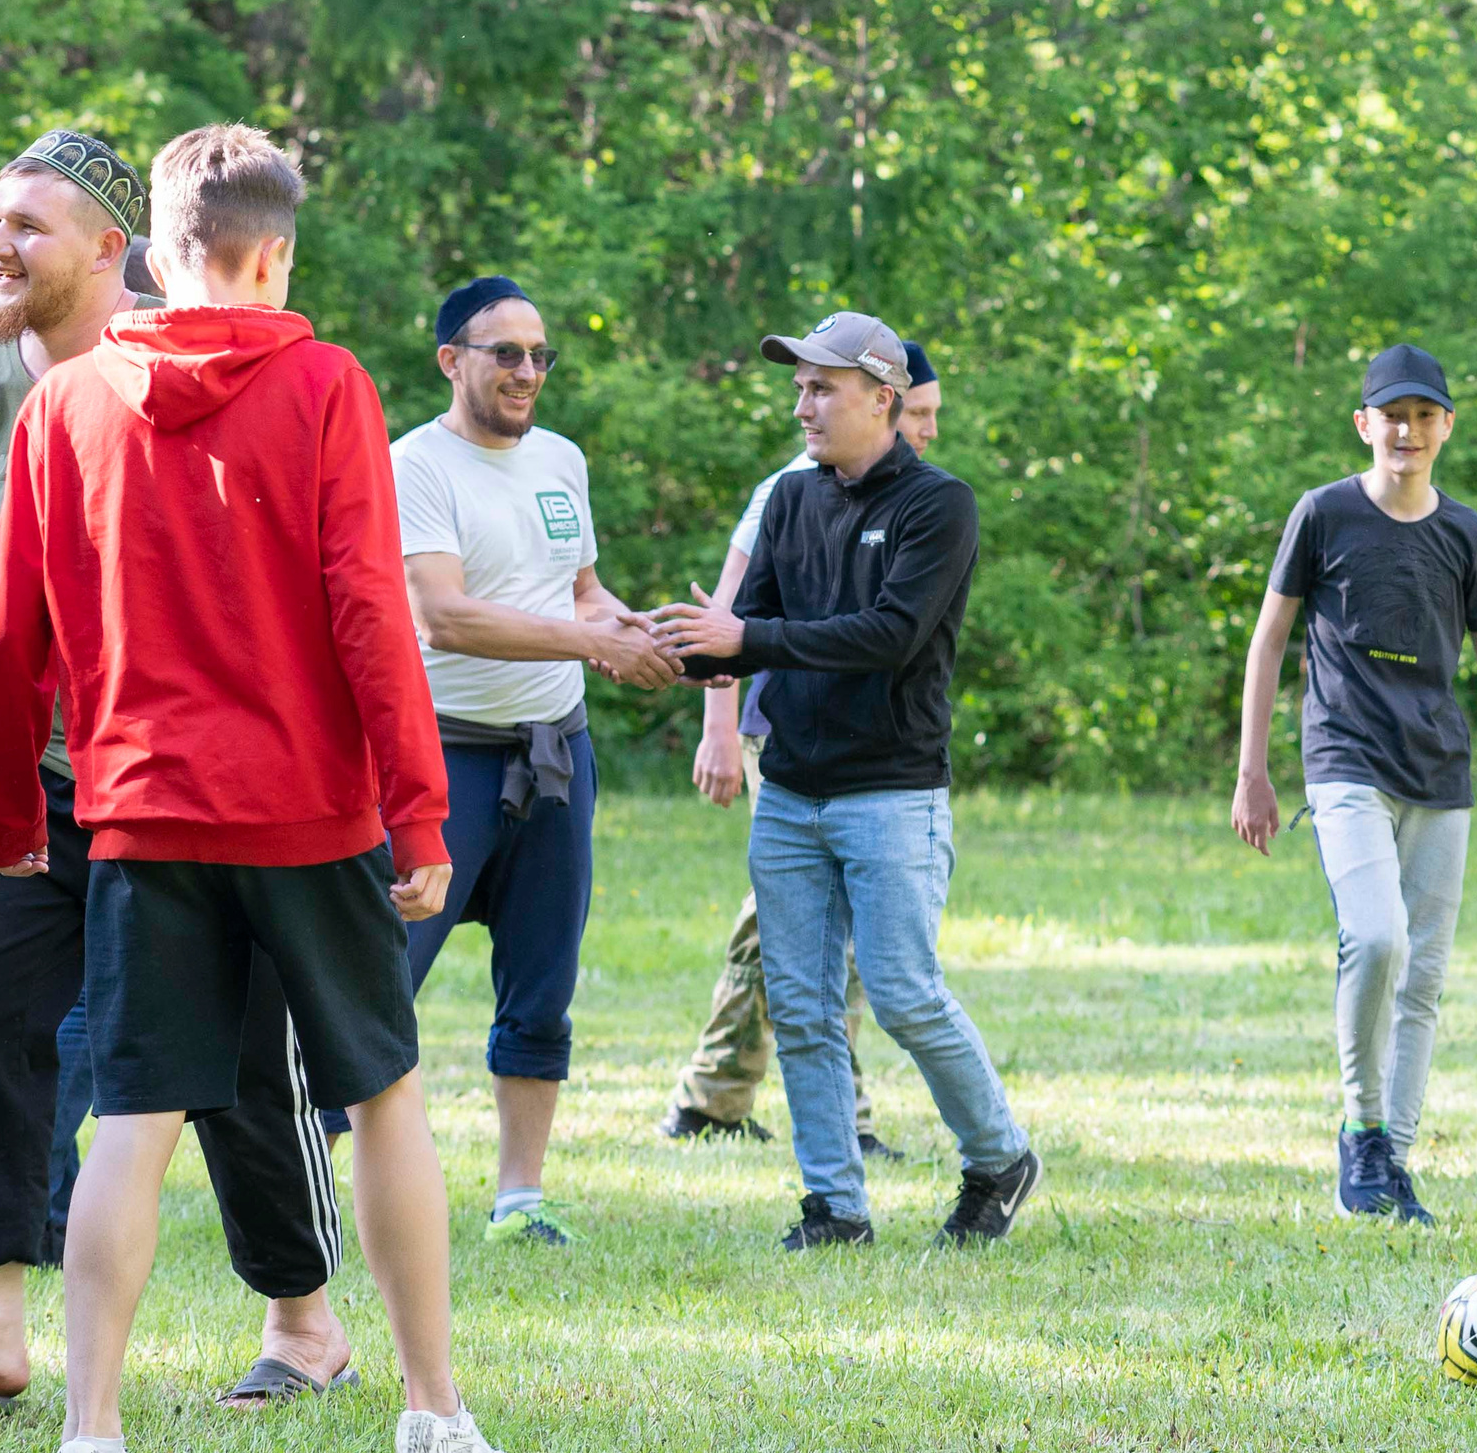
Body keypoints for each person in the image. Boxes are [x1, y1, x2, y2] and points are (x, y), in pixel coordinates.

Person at [0, 123, 518, 1453]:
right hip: (310, 817)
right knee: (384, 1093)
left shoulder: (66, 403)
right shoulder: (325, 382)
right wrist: (424, 811)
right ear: (275, 254)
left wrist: (1, 808)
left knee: (135, 1117)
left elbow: (1, 633)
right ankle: (435, 1425)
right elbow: (366, 613)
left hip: (140, 815)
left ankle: (90, 1441)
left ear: (149, 251)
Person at [0, 130, 355, 1420]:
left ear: (108, 247)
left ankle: (303, 1320)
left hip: (194, 787)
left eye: (28, 221)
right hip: (25, 779)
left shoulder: (196, 367)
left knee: (242, 1063)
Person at [657, 312, 1039, 1250]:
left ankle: (997, 1156)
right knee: (800, 1004)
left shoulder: (939, 506)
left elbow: (887, 636)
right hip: (787, 792)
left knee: (905, 991)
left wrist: (745, 640)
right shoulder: (791, 501)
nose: (803, 405)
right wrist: (661, 642)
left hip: (892, 796)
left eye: (820, 387)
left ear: (883, 398)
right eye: (798, 387)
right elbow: (745, 629)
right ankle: (836, 1205)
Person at [312, 273, 680, 1248]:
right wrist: (597, 643)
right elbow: (449, 614)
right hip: (442, 759)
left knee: (541, 982)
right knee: (383, 980)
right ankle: (315, 1179)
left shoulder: (561, 460)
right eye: (505, 352)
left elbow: (581, 589)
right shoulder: (414, 466)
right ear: (451, 360)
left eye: (540, 354)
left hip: (555, 756)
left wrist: (632, 624)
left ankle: (521, 1197)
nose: (527, 371)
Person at [1231, 343, 1477, 1227]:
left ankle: (1390, 1166)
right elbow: (1268, 641)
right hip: (1345, 760)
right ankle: (1362, 1131)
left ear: (1446, 426)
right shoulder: (1322, 514)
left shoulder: (1466, 535)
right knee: (1375, 937)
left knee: (1424, 974)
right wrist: (1255, 770)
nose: (1407, 430)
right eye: (1391, 415)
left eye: (1424, 415)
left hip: (1441, 774)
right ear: (1365, 424)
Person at [659, 339, 945, 1155]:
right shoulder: (791, 489)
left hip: (861, 745)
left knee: (795, 928)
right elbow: (732, 612)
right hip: (782, 731)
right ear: (885, 400)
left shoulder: (917, 500)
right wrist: (719, 728)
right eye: (920, 412)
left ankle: (714, 1095)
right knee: (810, 932)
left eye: (931, 416)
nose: (927, 430)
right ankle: (824, 1118)